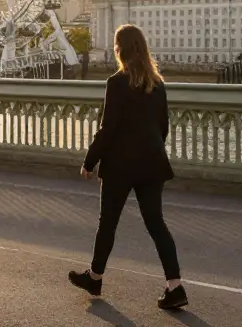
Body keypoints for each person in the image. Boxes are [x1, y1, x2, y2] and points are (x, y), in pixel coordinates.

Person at [68, 24, 187, 311]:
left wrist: (89, 161)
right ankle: (175, 286)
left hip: (120, 164)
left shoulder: (117, 82)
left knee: (108, 223)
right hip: (152, 163)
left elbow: (108, 128)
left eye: (116, 46)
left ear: (120, 49)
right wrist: (150, 151)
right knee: (156, 223)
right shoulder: (157, 84)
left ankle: (95, 278)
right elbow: (163, 127)